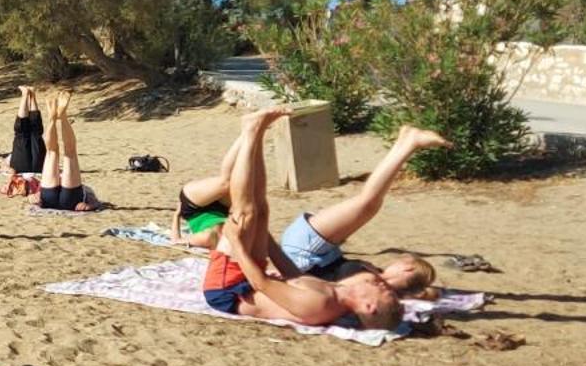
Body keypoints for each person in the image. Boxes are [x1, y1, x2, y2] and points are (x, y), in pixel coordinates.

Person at [172, 119, 442, 297]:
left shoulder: (379, 285)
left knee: (255, 204)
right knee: (366, 204)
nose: (396, 262)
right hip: (311, 247)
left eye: (402, 262)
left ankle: (253, 132)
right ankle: (407, 143)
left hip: (306, 249)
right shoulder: (375, 282)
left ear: (407, 272)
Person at [202, 109, 401, 331]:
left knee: (245, 213)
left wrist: (237, 242)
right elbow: (293, 275)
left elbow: (262, 284)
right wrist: (265, 235)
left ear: (369, 307)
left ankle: (249, 130)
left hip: (227, 289)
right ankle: (257, 130)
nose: (383, 286)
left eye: (385, 293)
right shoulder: (336, 294)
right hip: (248, 281)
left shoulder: (321, 306)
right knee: (260, 210)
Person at [33, 91, 101, 212]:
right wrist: (91, 205)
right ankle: (62, 116)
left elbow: (32, 198)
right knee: (68, 152)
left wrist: (33, 198)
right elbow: (94, 201)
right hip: (71, 199)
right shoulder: (86, 189)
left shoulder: (41, 186)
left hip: (48, 199)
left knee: (52, 152)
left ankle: (53, 119)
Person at [8, 85, 47, 176]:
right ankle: (28, 95)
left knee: (34, 133)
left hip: (34, 167)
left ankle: (29, 95)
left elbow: (5, 166)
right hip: (36, 167)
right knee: (28, 134)